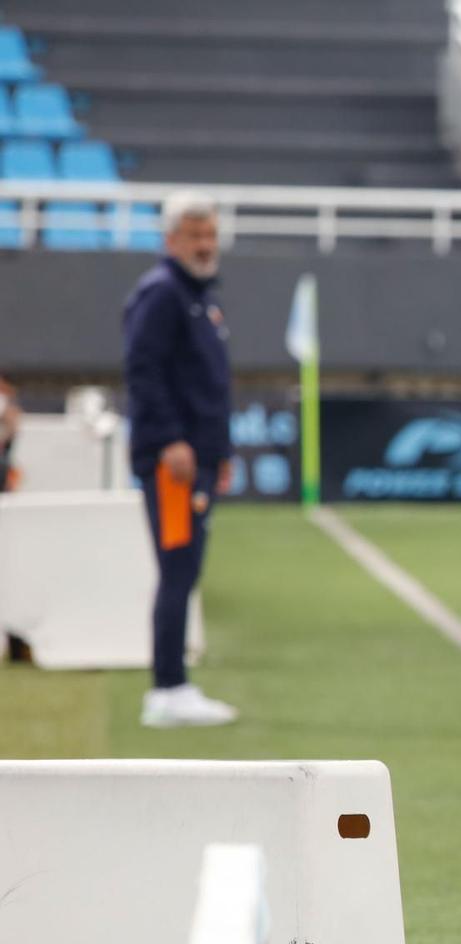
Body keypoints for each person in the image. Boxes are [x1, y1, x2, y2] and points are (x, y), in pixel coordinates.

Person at [122, 191, 237, 728]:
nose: (205, 245)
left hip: (200, 458)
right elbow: (143, 371)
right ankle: (167, 688)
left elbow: (208, 385)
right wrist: (170, 439)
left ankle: (173, 685)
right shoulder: (163, 295)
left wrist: (221, 452)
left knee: (186, 569)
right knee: (177, 568)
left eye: (210, 234)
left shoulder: (198, 297)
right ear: (170, 240)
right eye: (195, 235)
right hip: (174, 463)